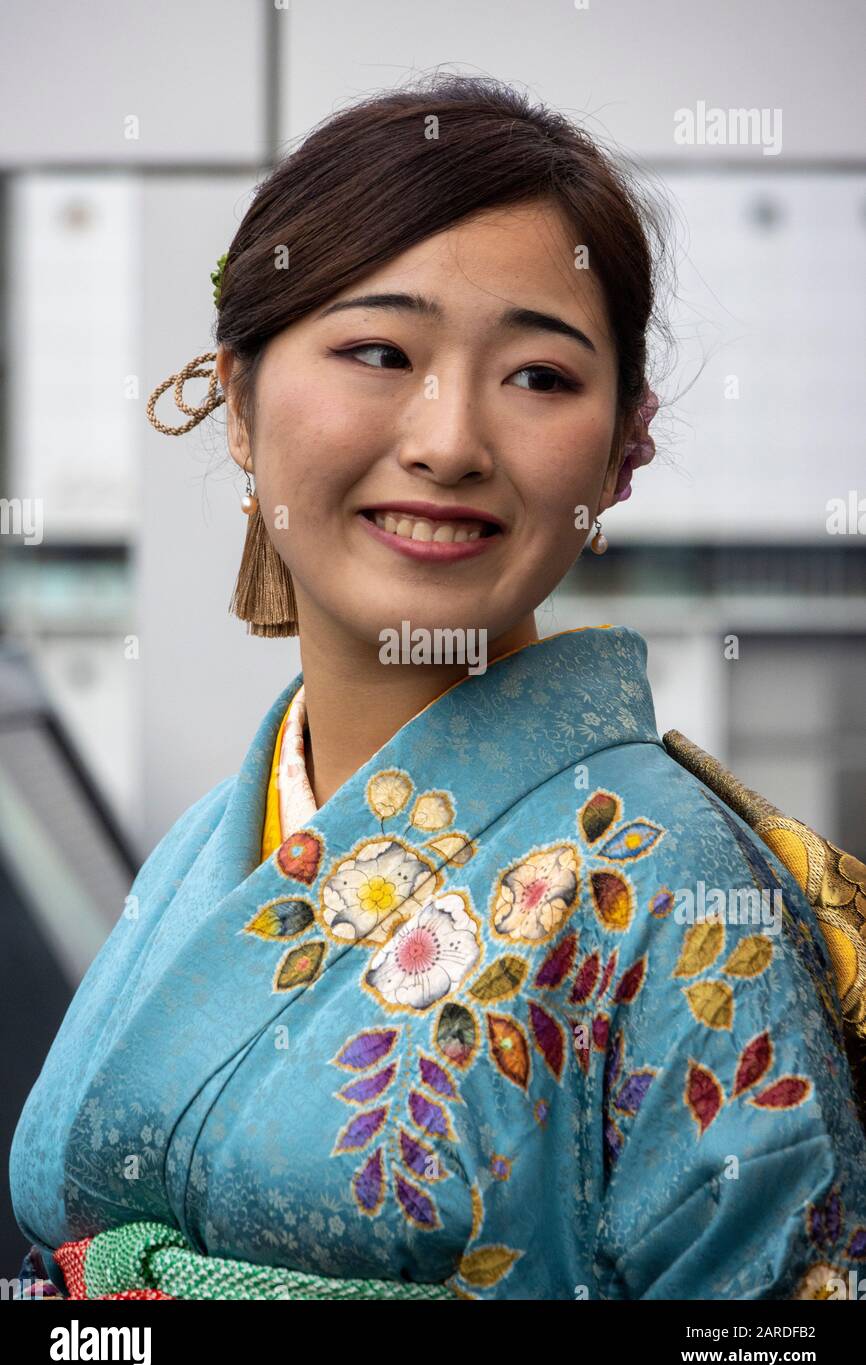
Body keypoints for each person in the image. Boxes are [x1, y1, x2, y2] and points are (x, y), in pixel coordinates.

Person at [9, 73, 866, 1302]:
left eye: (538, 377)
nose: (450, 439)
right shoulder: (211, 846)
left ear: (625, 447)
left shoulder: (673, 892)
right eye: (377, 350)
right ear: (238, 401)